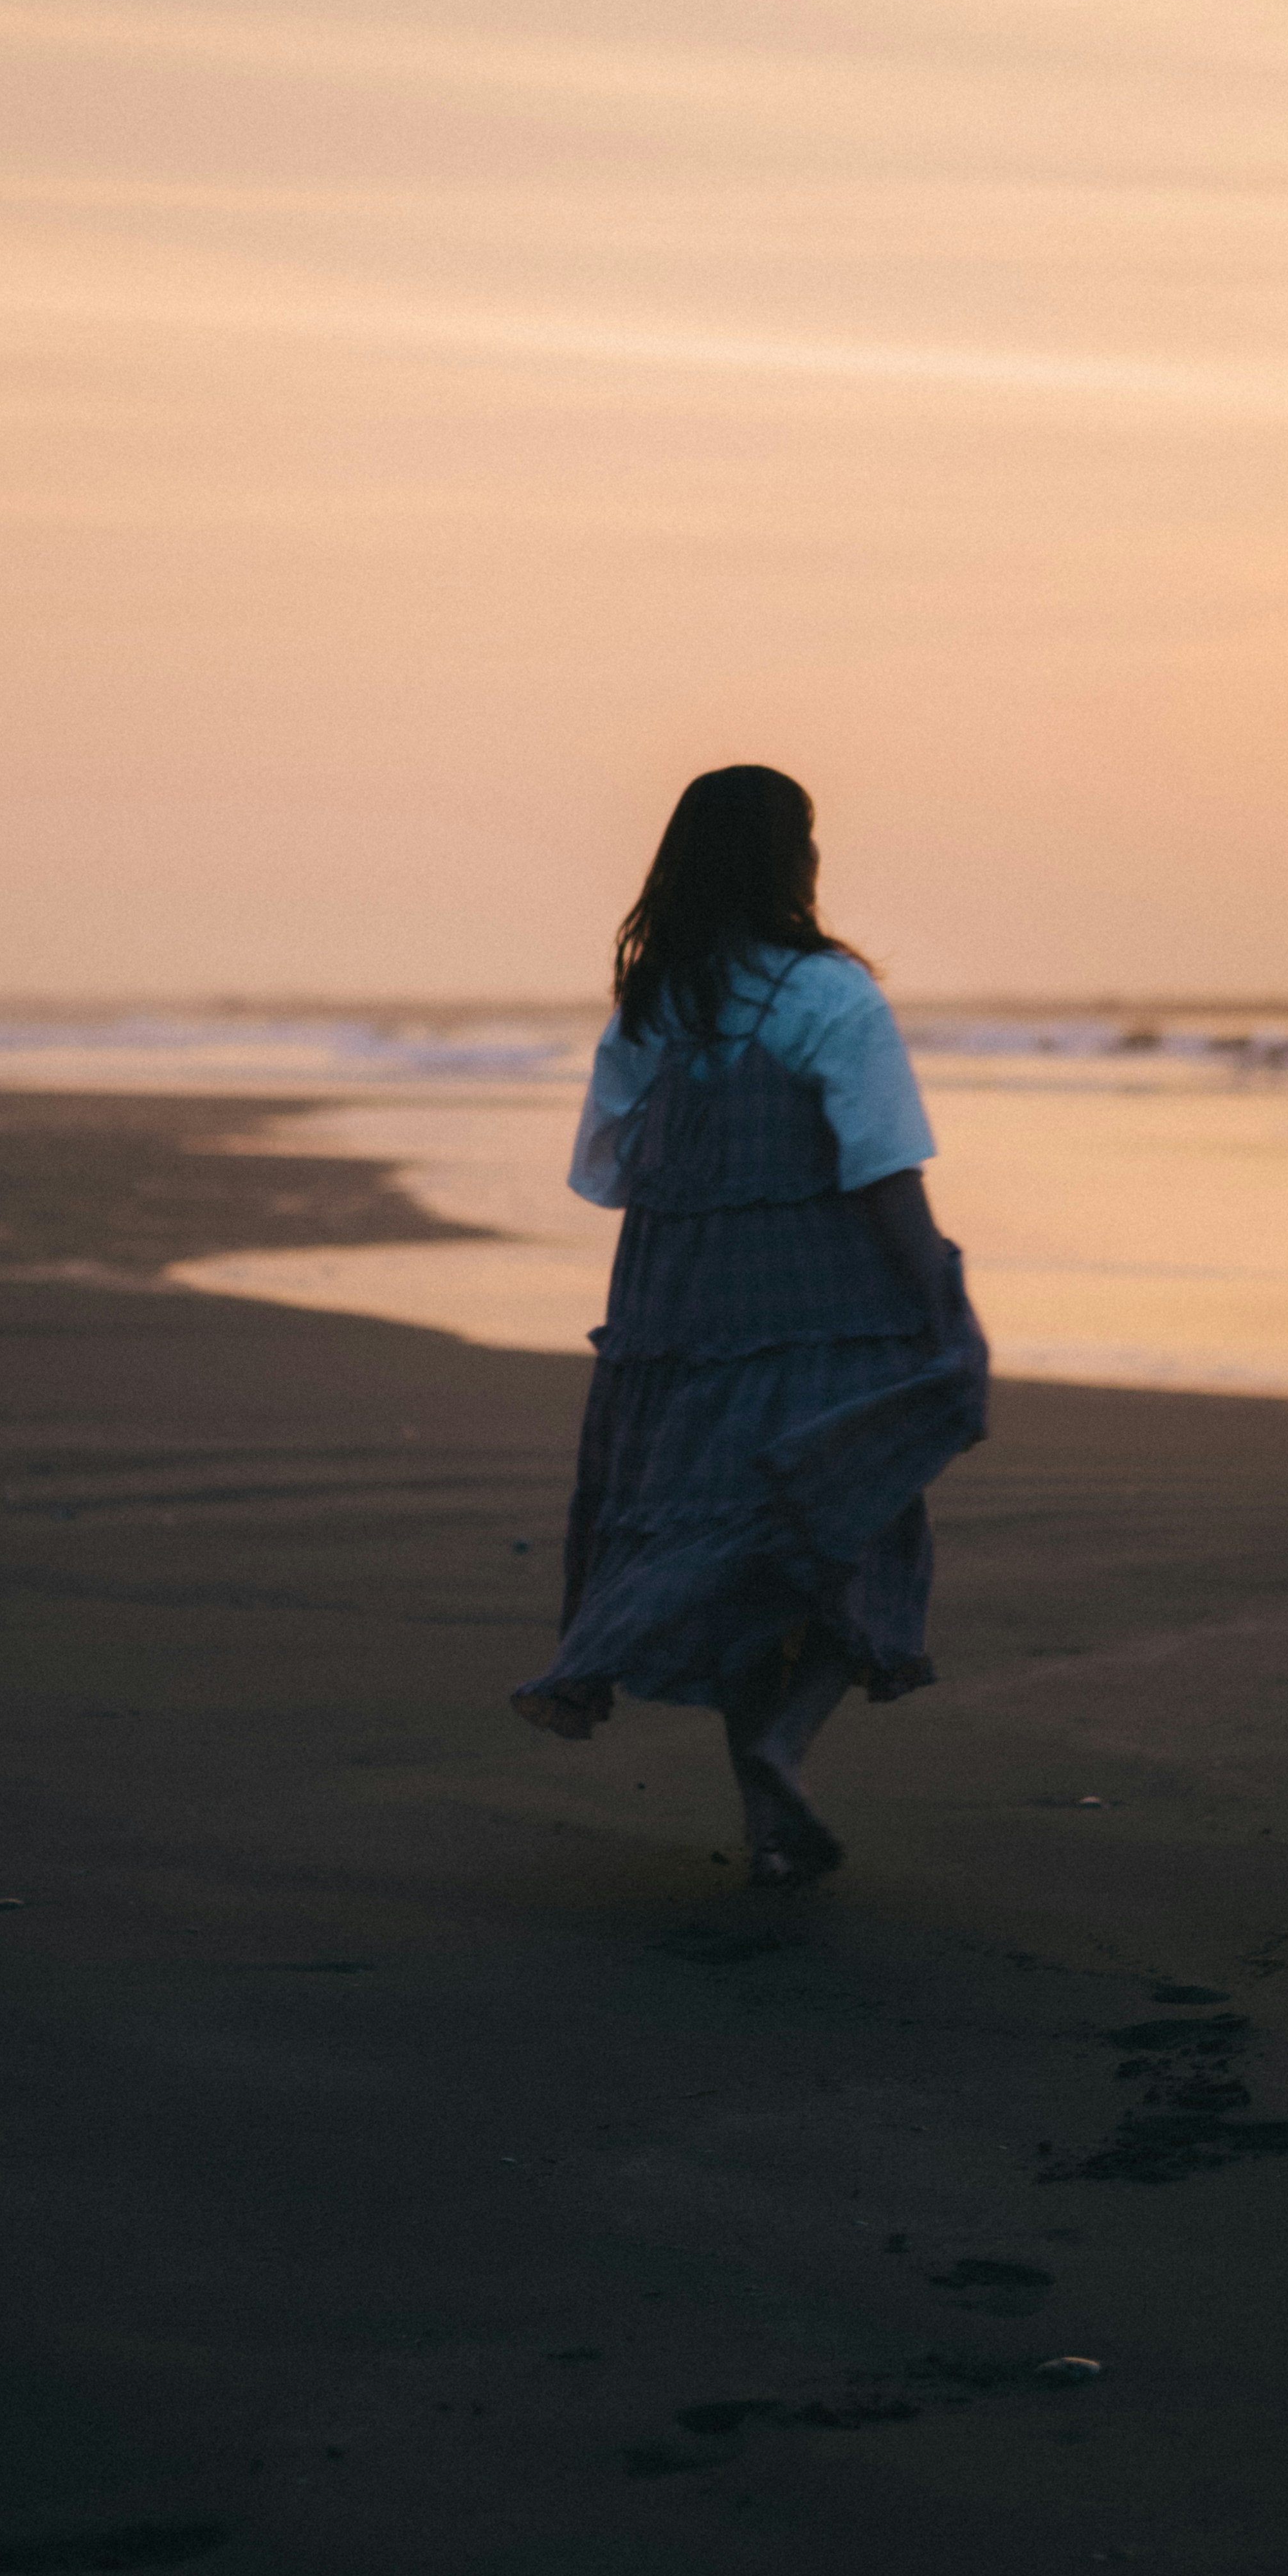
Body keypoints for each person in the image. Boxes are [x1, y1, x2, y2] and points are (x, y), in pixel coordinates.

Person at [512, 765, 988, 1886]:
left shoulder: (659, 1002)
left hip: (678, 1317)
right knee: (844, 1525)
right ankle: (783, 1747)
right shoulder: (832, 996)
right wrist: (943, 1304)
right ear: (792, 860)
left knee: (723, 1547)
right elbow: (885, 1166)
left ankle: (767, 1819)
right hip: (822, 1308)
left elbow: (611, 1168)